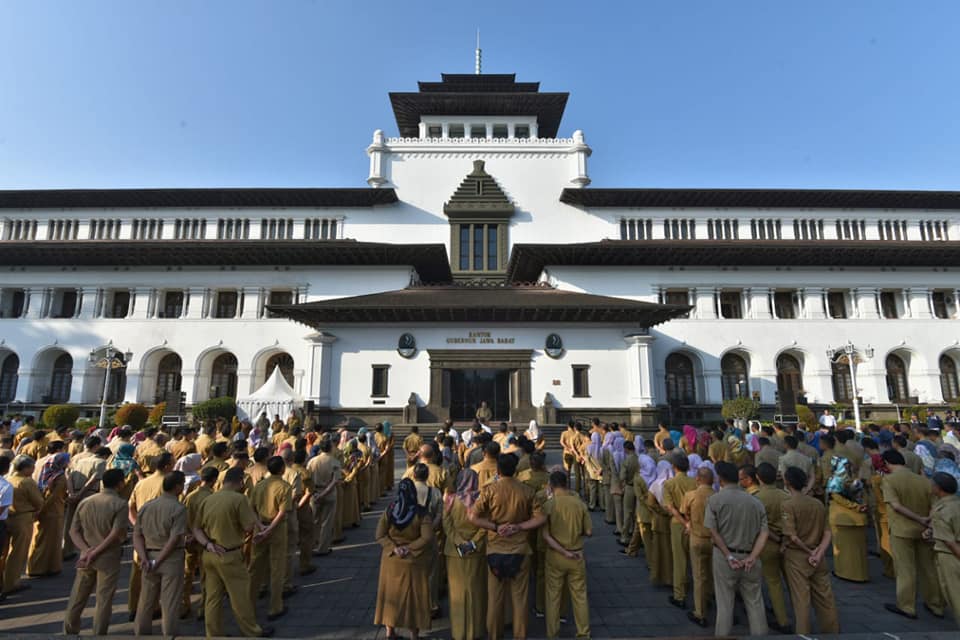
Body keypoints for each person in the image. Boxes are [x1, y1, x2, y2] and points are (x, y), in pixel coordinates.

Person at [469, 453, 543, 640]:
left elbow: (473, 517)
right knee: (520, 599)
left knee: (495, 599)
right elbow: (541, 517)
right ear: (516, 469)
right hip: (520, 549)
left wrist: (495, 527)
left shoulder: (489, 490)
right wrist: (519, 526)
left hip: (495, 549)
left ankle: (494, 635)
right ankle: (520, 635)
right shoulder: (526, 491)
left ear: (498, 470)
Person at [192, 466, 271, 637]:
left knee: (212, 598)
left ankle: (213, 634)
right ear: (241, 481)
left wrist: (207, 544)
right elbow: (249, 526)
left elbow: (196, 529)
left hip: (210, 554)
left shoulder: (208, 499)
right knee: (240, 596)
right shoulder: (239, 499)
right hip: (230, 555)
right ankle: (251, 631)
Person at [705, 461, 769, 637]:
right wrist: (753, 556)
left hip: (725, 558)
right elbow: (764, 533)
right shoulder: (755, 502)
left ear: (721, 479)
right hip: (750, 558)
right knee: (755, 603)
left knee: (725, 604)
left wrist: (728, 556)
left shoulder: (714, 500)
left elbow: (713, 532)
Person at [881, 449, 945, 619]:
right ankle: (935, 604)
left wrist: (918, 518)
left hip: (901, 530)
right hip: (924, 530)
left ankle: (907, 606)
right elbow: (935, 506)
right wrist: (927, 522)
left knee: (905, 569)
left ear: (887, 463)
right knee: (928, 568)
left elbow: (896, 506)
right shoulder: (924, 481)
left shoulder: (889, 480)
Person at [62, 467, 128, 634]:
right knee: (104, 599)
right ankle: (99, 633)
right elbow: (115, 534)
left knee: (77, 596)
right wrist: (96, 551)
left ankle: (69, 631)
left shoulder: (86, 501)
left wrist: (86, 550)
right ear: (120, 484)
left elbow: (73, 531)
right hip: (107, 555)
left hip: (86, 554)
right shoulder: (120, 504)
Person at [781, 467, 840, 634]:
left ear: (787, 482)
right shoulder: (818, 504)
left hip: (798, 556)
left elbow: (792, 537)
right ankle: (832, 632)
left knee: (801, 600)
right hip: (818, 555)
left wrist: (809, 551)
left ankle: (803, 634)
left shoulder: (788, 505)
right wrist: (819, 552)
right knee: (825, 597)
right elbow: (827, 532)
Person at [374, 478, 433, 640]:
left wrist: (394, 547)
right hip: (413, 561)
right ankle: (414, 634)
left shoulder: (390, 510)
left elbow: (379, 535)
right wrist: (410, 548)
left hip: (392, 560)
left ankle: (389, 632)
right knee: (414, 598)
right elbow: (427, 537)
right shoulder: (421, 513)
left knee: (390, 596)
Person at [133, 470, 188, 637]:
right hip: (170, 558)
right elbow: (174, 539)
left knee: (146, 601)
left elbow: (137, 535)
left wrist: (143, 557)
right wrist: (159, 560)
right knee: (169, 603)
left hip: (148, 556)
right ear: (177, 487)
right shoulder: (178, 509)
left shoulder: (147, 507)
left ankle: (141, 634)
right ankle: (169, 635)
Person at [542, 470, 591, 639]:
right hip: (577, 554)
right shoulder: (579, 504)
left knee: (553, 596)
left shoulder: (548, 505)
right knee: (579, 596)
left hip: (555, 555)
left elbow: (545, 535)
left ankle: (552, 633)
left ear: (551, 485)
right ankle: (583, 633)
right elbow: (589, 531)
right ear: (566, 484)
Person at [126, 451, 174, 621]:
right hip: (160, 536)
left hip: (141, 534)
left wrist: (136, 525)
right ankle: (152, 608)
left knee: (138, 572)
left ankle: (134, 607)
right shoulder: (168, 485)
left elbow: (130, 507)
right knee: (157, 575)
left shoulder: (142, 483)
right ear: (167, 465)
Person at [443, 469, 486, 640]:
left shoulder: (451, 500)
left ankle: (459, 632)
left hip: (454, 551)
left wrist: (459, 541)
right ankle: (475, 631)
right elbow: (485, 525)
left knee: (457, 593)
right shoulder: (480, 501)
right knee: (477, 591)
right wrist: (473, 542)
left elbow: (446, 524)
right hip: (476, 551)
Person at [248, 456, 292, 622]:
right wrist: (269, 530)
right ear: (282, 470)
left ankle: (249, 605)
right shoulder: (284, 487)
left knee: (255, 568)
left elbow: (251, 508)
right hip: (277, 529)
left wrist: (260, 526)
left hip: (259, 528)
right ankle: (275, 607)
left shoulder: (259, 486)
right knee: (277, 568)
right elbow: (282, 513)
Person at [754, 462, 791, 633]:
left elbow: (758, 526)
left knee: (773, 582)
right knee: (790, 582)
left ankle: (782, 620)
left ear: (758, 478)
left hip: (768, 543)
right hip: (788, 542)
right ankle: (799, 613)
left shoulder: (757, 498)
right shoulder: (786, 495)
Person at [680, 465, 715, 627]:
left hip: (697, 538)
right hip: (715, 541)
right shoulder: (717, 496)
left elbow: (684, 513)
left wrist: (690, 524)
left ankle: (700, 612)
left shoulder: (691, 495)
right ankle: (710, 599)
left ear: (698, 479)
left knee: (699, 576)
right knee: (714, 575)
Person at [3, 455, 43, 595]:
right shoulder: (26, 482)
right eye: (32, 467)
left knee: (5, 552)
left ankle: (4, 581)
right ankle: (12, 583)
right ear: (25, 468)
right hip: (22, 518)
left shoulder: (7, 479)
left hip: (7, 517)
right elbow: (38, 502)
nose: (33, 470)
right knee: (18, 553)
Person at [182, 465, 217, 619]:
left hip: (189, 539)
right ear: (214, 480)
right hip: (205, 541)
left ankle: (183, 605)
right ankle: (203, 608)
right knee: (206, 576)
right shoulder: (211, 497)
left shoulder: (190, 496)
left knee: (187, 573)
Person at [27, 451, 69, 577]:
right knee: (50, 541)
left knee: (39, 539)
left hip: (44, 510)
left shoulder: (45, 473)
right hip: (53, 512)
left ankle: (37, 566)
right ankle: (45, 567)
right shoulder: (60, 477)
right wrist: (42, 509)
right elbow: (54, 497)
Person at [662, 453, 696, 608]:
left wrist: (683, 522)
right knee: (696, 561)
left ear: (673, 467)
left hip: (678, 523)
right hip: (695, 522)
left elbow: (670, 507)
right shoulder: (695, 482)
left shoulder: (669, 484)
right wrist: (689, 523)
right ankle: (703, 595)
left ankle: (679, 594)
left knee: (679, 559)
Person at [927, 471, 960, 626]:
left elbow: (950, 542)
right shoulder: (956, 504)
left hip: (950, 556)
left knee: (955, 595)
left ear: (938, 488)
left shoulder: (941, 511)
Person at [306, 437, 341, 556]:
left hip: (314, 493)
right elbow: (335, 481)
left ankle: (311, 545)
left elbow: (307, 479)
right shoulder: (335, 462)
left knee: (314, 521)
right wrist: (324, 493)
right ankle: (323, 547)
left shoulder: (312, 461)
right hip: (329, 494)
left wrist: (315, 493)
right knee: (327, 522)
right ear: (330, 447)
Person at [646, 459, 674, 587]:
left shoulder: (655, 484)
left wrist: (663, 511)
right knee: (671, 551)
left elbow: (651, 503)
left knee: (660, 550)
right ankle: (673, 577)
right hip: (674, 520)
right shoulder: (673, 483)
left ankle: (660, 575)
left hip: (659, 521)